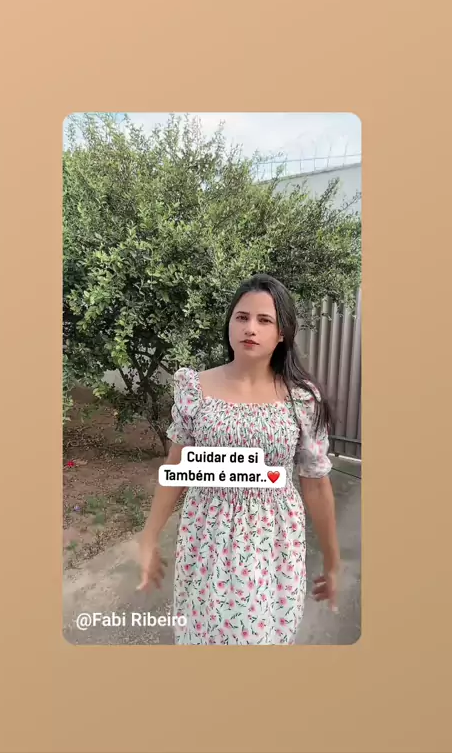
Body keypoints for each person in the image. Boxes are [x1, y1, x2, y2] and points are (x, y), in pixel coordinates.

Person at [136, 273, 340, 645]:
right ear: (229, 323)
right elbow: (177, 469)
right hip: (205, 536)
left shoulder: (301, 398)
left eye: (265, 320)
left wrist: (332, 561)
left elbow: (315, 484)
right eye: (242, 317)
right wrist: (148, 539)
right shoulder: (195, 387)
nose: (251, 328)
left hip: (272, 540)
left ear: (282, 333)